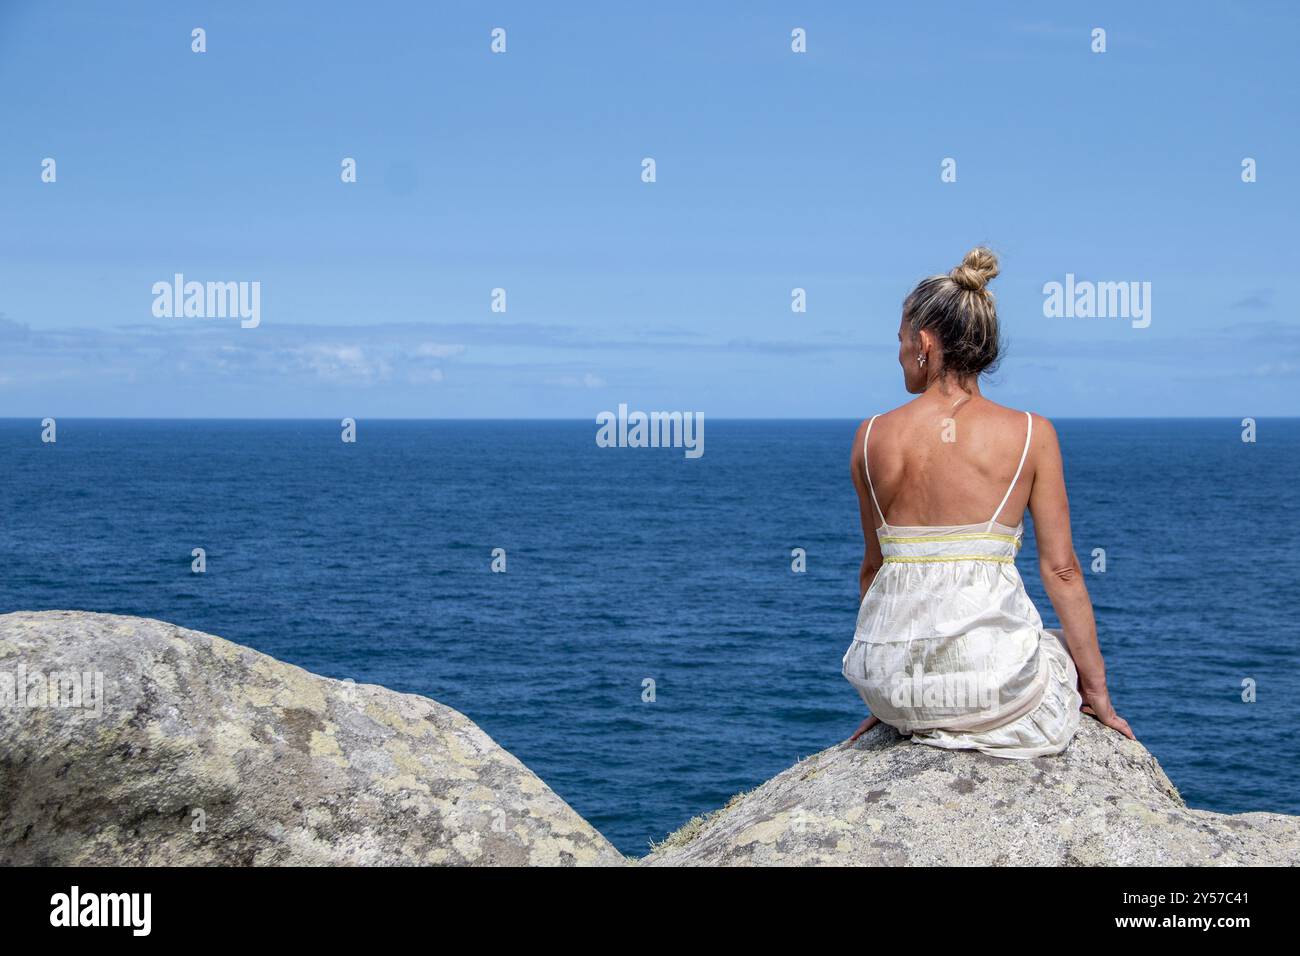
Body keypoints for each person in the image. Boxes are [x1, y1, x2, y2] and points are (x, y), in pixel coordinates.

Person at [841, 247, 1134, 757]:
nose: (898, 354)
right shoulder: (1030, 434)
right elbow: (1062, 571)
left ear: (925, 343)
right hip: (987, 688)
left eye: (901, 340)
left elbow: (875, 571)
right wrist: (1098, 697)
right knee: (1056, 639)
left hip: (887, 684)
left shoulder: (870, 437)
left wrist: (890, 686)